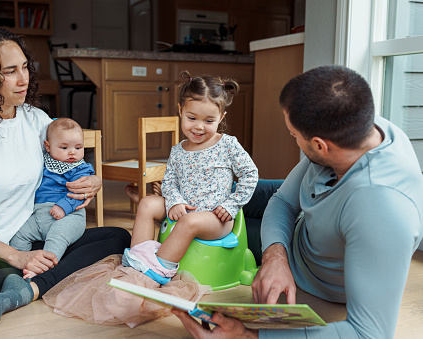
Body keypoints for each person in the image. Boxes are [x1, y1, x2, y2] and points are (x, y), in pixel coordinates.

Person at [173, 65, 423, 338]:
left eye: (294, 136)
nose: (292, 139)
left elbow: (369, 334)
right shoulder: (361, 127)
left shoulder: (384, 213)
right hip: (300, 225)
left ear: (319, 146)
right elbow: (282, 202)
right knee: (221, 191)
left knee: (208, 220)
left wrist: (248, 336)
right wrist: (274, 256)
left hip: (308, 263)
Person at [0, 26, 131, 327]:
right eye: (10, 71)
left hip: (32, 234)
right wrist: (16, 257)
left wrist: (93, 182)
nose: (24, 78)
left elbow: (68, 156)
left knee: (117, 237)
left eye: (26, 67)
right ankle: (38, 277)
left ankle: (30, 286)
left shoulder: (37, 120)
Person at [122, 71, 258, 284]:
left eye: (209, 120)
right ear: (180, 111)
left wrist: (232, 205)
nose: (198, 126)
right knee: (148, 203)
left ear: (221, 118)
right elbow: (169, 181)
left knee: (189, 221)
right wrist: (175, 201)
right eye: (192, 118)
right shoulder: (178, 150)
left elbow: (250, 175)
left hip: (215, 218)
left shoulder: (228, 145)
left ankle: (160, 268)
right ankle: (139, 258)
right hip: (183, 207)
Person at [10, 118, 95, 279]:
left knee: (58, 235)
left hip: (69, 216)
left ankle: (43, 268)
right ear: (47, 146)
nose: (72, 152)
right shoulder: (42, 162)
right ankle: (24, 264)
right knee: (19, 234)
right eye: (64, 147)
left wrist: (63, 207)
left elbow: (79, 193)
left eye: (78, 147)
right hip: (39, 215)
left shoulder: (80, 168)